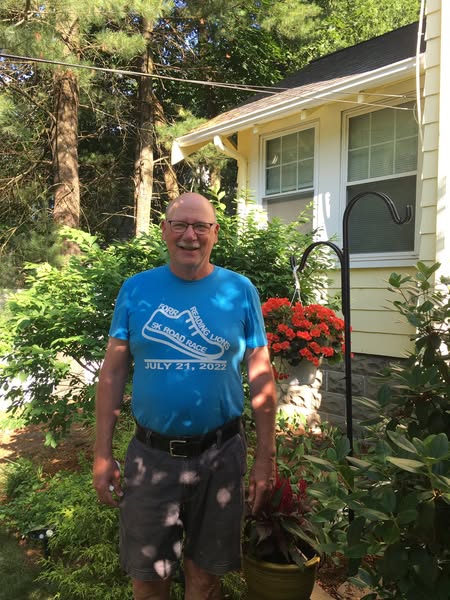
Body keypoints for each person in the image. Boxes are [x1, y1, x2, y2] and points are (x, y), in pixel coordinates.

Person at [93, 192, 277, 600]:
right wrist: (102, 454)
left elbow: (261, 372)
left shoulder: (240, 290)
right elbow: (113, 372)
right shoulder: (137, 289)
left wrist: (266, 456)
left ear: (215, 233)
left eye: (201, 226)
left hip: (221, 456)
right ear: (164, 230)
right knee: (147, 580)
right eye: (180, 225)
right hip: (151, 457)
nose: (190, 235)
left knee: (206, 579)